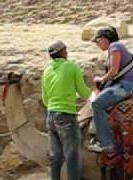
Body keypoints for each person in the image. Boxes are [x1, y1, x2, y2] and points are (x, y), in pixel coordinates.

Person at [87, 26, 133, 153]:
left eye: (97, 40)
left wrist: (102, 79)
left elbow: (114, 71)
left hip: (128, 85)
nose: (97, 44)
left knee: (97, 103)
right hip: (127, 84)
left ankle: (106, 143)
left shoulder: (115, 47)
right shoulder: (115, 48)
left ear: (104, 38)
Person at [42, 40, 92, 180]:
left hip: (51, 117)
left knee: (56, 156)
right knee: (72, 156)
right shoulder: (71, 67)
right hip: (66, 116)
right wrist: (94, 94)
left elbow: (45, 100)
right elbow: (83, 92)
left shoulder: (46, 71)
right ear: (63, 52)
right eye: (66, 50)